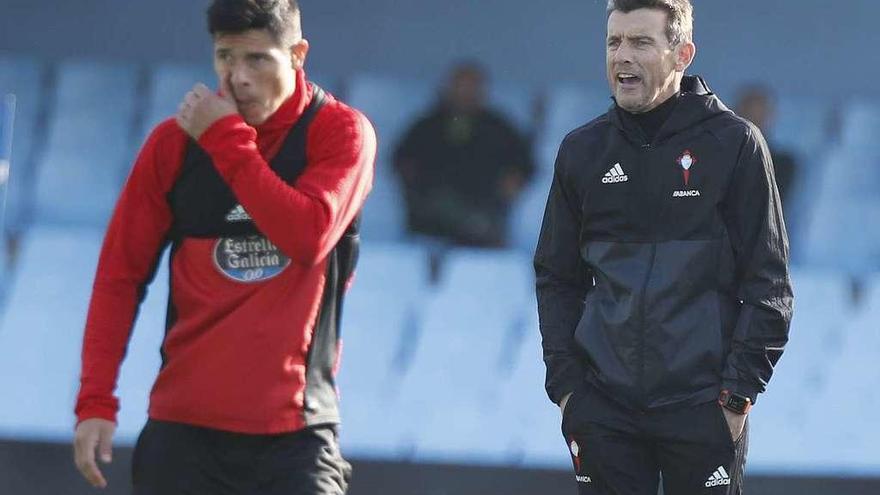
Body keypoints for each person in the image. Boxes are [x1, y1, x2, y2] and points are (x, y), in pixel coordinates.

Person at [72, 1, 375, 493]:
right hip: (182, 436)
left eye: (257, 59)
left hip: (295, 438)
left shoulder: (339, 133)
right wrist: (95, 401)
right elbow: (119, 277)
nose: (237, 77)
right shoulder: (173, 145)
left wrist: (226, 140)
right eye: (224, 57)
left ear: (298, 54)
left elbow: (308, 236)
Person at [534, 1, 793, 494]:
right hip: (603, 410)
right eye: (614, 42)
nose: (622, 56)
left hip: (701, 408)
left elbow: (770, 286)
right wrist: (568, 391)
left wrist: (737, 396)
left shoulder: (735, 144)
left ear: (682, 54)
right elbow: (556, 277)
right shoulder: (582, 151)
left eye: (641, 42)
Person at [393, 62, 535, 248]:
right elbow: (402, 161)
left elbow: (524, 163)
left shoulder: (499, 127)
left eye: (471, 87)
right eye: (460, 87)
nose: (465, 93)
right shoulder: (426, 126)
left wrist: (514, 179)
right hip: (432, 210)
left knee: (481, 222)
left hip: (484, 205)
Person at [734, 84, 797, 207]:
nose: (753, 122)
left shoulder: (783, 164)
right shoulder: (719, 159)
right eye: (748, 114)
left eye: (759, 115)